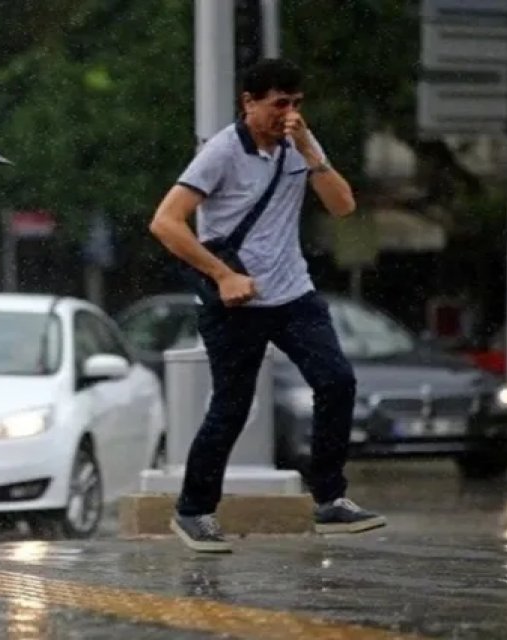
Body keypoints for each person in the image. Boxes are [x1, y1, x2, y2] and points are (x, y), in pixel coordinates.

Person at [148, 58, 384, 553]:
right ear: (249, 103)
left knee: (337, 381)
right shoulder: (221, 152)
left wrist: (310, 150)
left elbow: (343, 206)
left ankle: (330, 500)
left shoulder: (299, 146)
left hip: (293, 292)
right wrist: (224, 275)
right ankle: (193, 511)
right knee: (231, 407)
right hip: (234, 300)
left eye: (297, 104)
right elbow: (166, 223)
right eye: (279, 104)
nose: (289, 114)